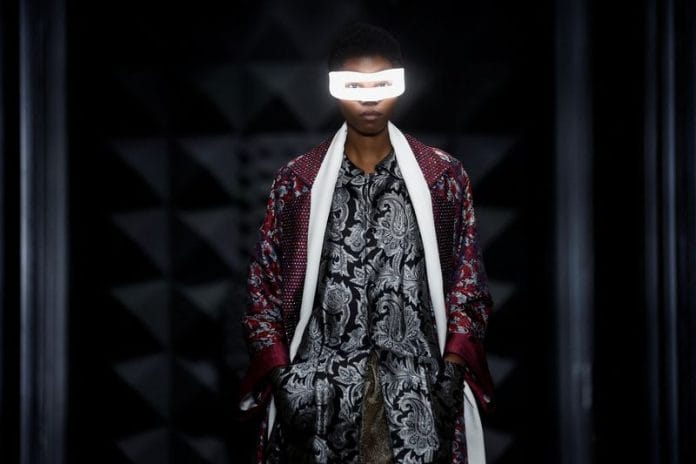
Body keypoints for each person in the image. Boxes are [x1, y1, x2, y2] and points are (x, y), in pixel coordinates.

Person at [238, 21, 495, 464]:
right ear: (333, 88)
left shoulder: (442, 178)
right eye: (354, 84)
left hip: (418, 402)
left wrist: (452, 374)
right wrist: (285, 381)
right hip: (318, 406)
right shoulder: (298, 183)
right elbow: (263, 292)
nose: (370, 98)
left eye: (383, 83)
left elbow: (467, 286)